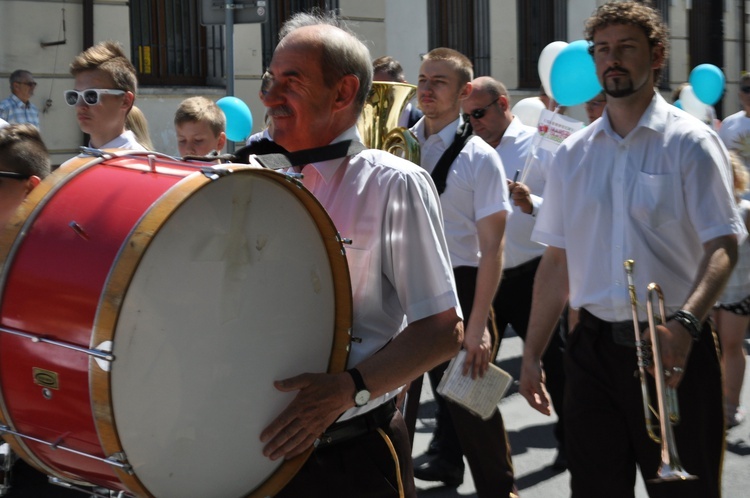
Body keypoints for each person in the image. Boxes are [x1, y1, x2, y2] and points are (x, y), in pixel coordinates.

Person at [519, 3, 745, 497]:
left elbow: (724, 243)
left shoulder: (692, 142)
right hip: (592, 351)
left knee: (687, 490)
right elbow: (556, 262)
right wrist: (532, 354)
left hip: (673, 345)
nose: (612, 60)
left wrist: (685, 324)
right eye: (603, 50)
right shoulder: (573, 156)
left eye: (626, 48)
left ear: (657, 55)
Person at [255, 11, 463, 498]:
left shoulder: (395, 184)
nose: (268, 96)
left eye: (291, 80)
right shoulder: (251, 175)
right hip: (253, 455)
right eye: (270, 79)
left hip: (347, 454)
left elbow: (441, 330)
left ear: (343, 93)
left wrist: (348, 389)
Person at [410, 48, 515, 497]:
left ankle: (500, 489)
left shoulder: (480, 157)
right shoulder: (397, 142)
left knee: (475, 405)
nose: (426, 89)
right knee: (397, 403)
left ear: (464, 91)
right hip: (406, 283)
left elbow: (493, 250)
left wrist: (478, 327)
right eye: (423, 79)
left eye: (439, 81)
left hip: (461, 285)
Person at [463, 75, 568, 470]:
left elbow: (566, 204)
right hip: (485, 271)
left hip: (530, 272)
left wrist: (532, 201)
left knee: (553, 364)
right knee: (470, 367)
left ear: (503, 104)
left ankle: (572, 441)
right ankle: (458, 455)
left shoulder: (541, 143)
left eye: (479, 113)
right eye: (467, 116)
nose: (474, 122)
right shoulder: (469, 148)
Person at [713, 151, 750, 429]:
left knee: (731, 346)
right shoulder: (701, 207)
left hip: (739, 291)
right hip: (709, 292)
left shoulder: (746, 210)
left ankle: (730, 406)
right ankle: (710, 400)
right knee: (709, 350)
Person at [68, 41, 146, 151]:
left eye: (91, 96)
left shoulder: (141, 164)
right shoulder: (74, 166)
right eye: (74, 96)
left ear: (125, 101)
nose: (80, 106)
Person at [372, 55, 423, 128]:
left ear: (403, 86)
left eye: (385, 89)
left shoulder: (423, 123)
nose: (378, 97)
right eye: (373, 90)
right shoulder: (363, 124)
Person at [719, 72, 750, 174]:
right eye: (746, 90)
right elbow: (720, 159)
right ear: (740, 94)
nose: (749, 94)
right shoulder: (728, 124)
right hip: (737, 188)